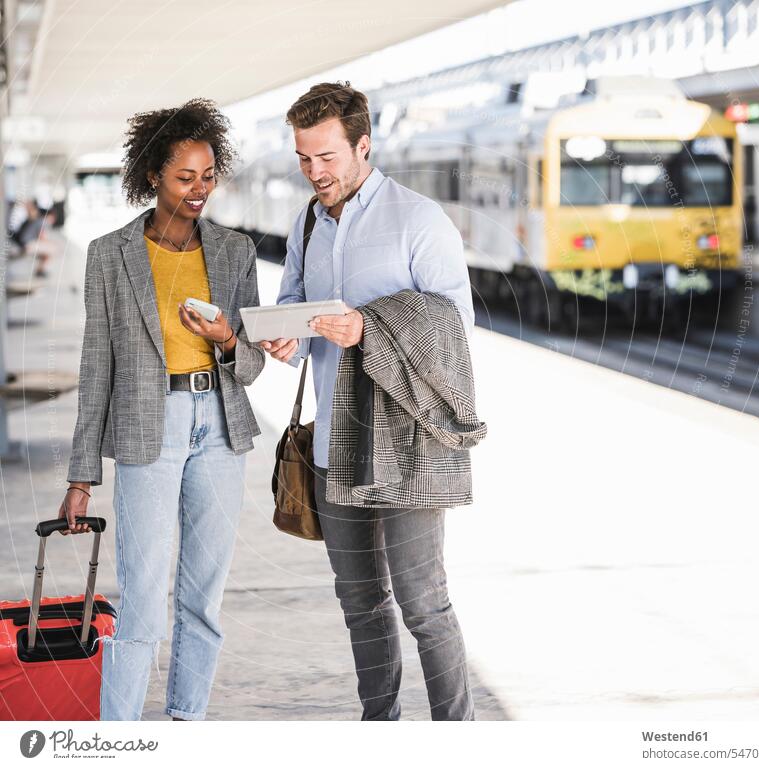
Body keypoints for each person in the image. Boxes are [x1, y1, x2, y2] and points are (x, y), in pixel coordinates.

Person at [263, 82, 477, 720]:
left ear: (363, 145)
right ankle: (378, 726)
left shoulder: (418, 219)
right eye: (304, 159)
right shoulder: (306, 222)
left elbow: (454, 332)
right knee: (359, 602)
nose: (315, 172)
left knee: (424, 603)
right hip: (333, 443)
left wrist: (369, 330)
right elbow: (296, 305)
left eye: (326, 157)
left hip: (408, 446)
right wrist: (285, 335)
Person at [59, 98, 266, 721]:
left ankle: (185, 724)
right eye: (185, 177)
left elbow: (252, 366)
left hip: (221, 430)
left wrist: (226, 339)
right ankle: (119, 739)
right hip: (151, 429)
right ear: (152, 174)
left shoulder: (235, 252)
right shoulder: (110, 254)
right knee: (144, 600)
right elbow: (97, 367)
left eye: (208, 176)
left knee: (203, 598)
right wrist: (80, 476)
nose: (199, 190)